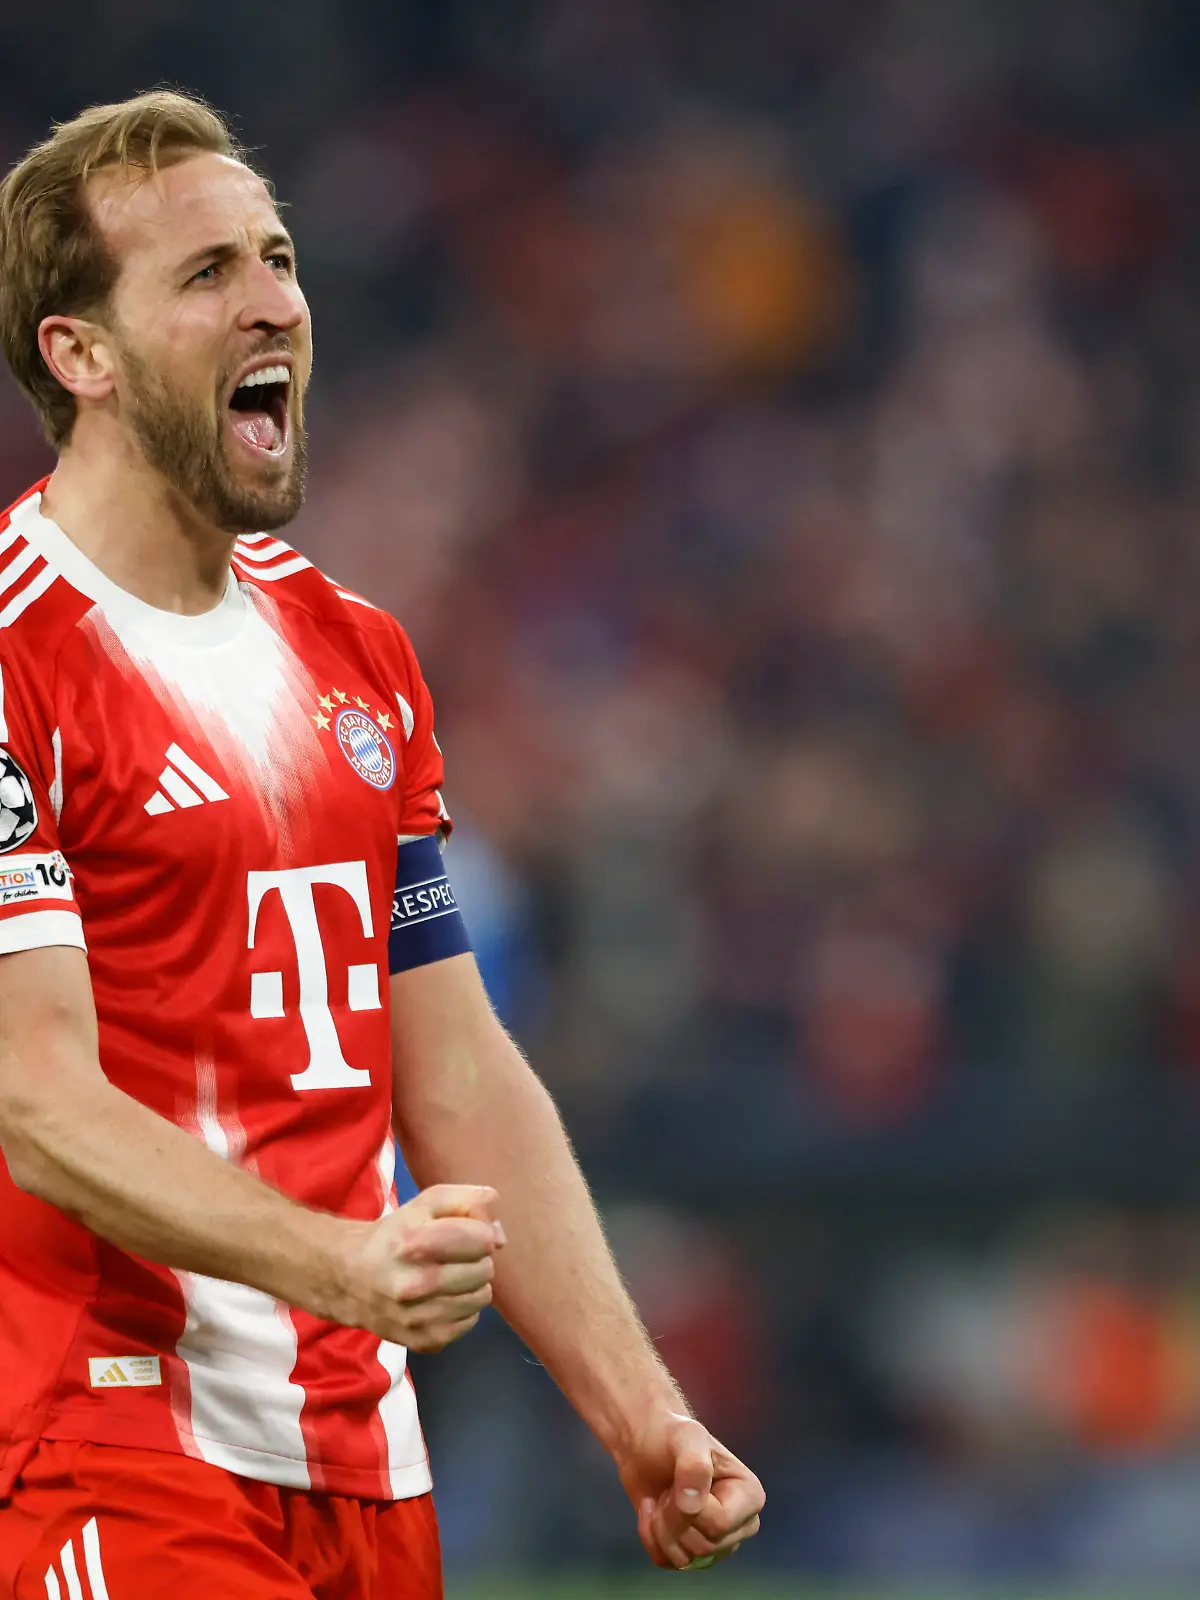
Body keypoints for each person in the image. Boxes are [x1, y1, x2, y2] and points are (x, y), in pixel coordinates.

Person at [0, 91, 763, 1599]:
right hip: (110, 1448)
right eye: (205, 272)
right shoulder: (18, 657)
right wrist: (336, 1264)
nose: (275, 298)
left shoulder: (354, 653)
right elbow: (34, 1097)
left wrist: (642, 1411)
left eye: (276, 257)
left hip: (363, 1468)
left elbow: (459, 1074)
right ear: (77, 355)